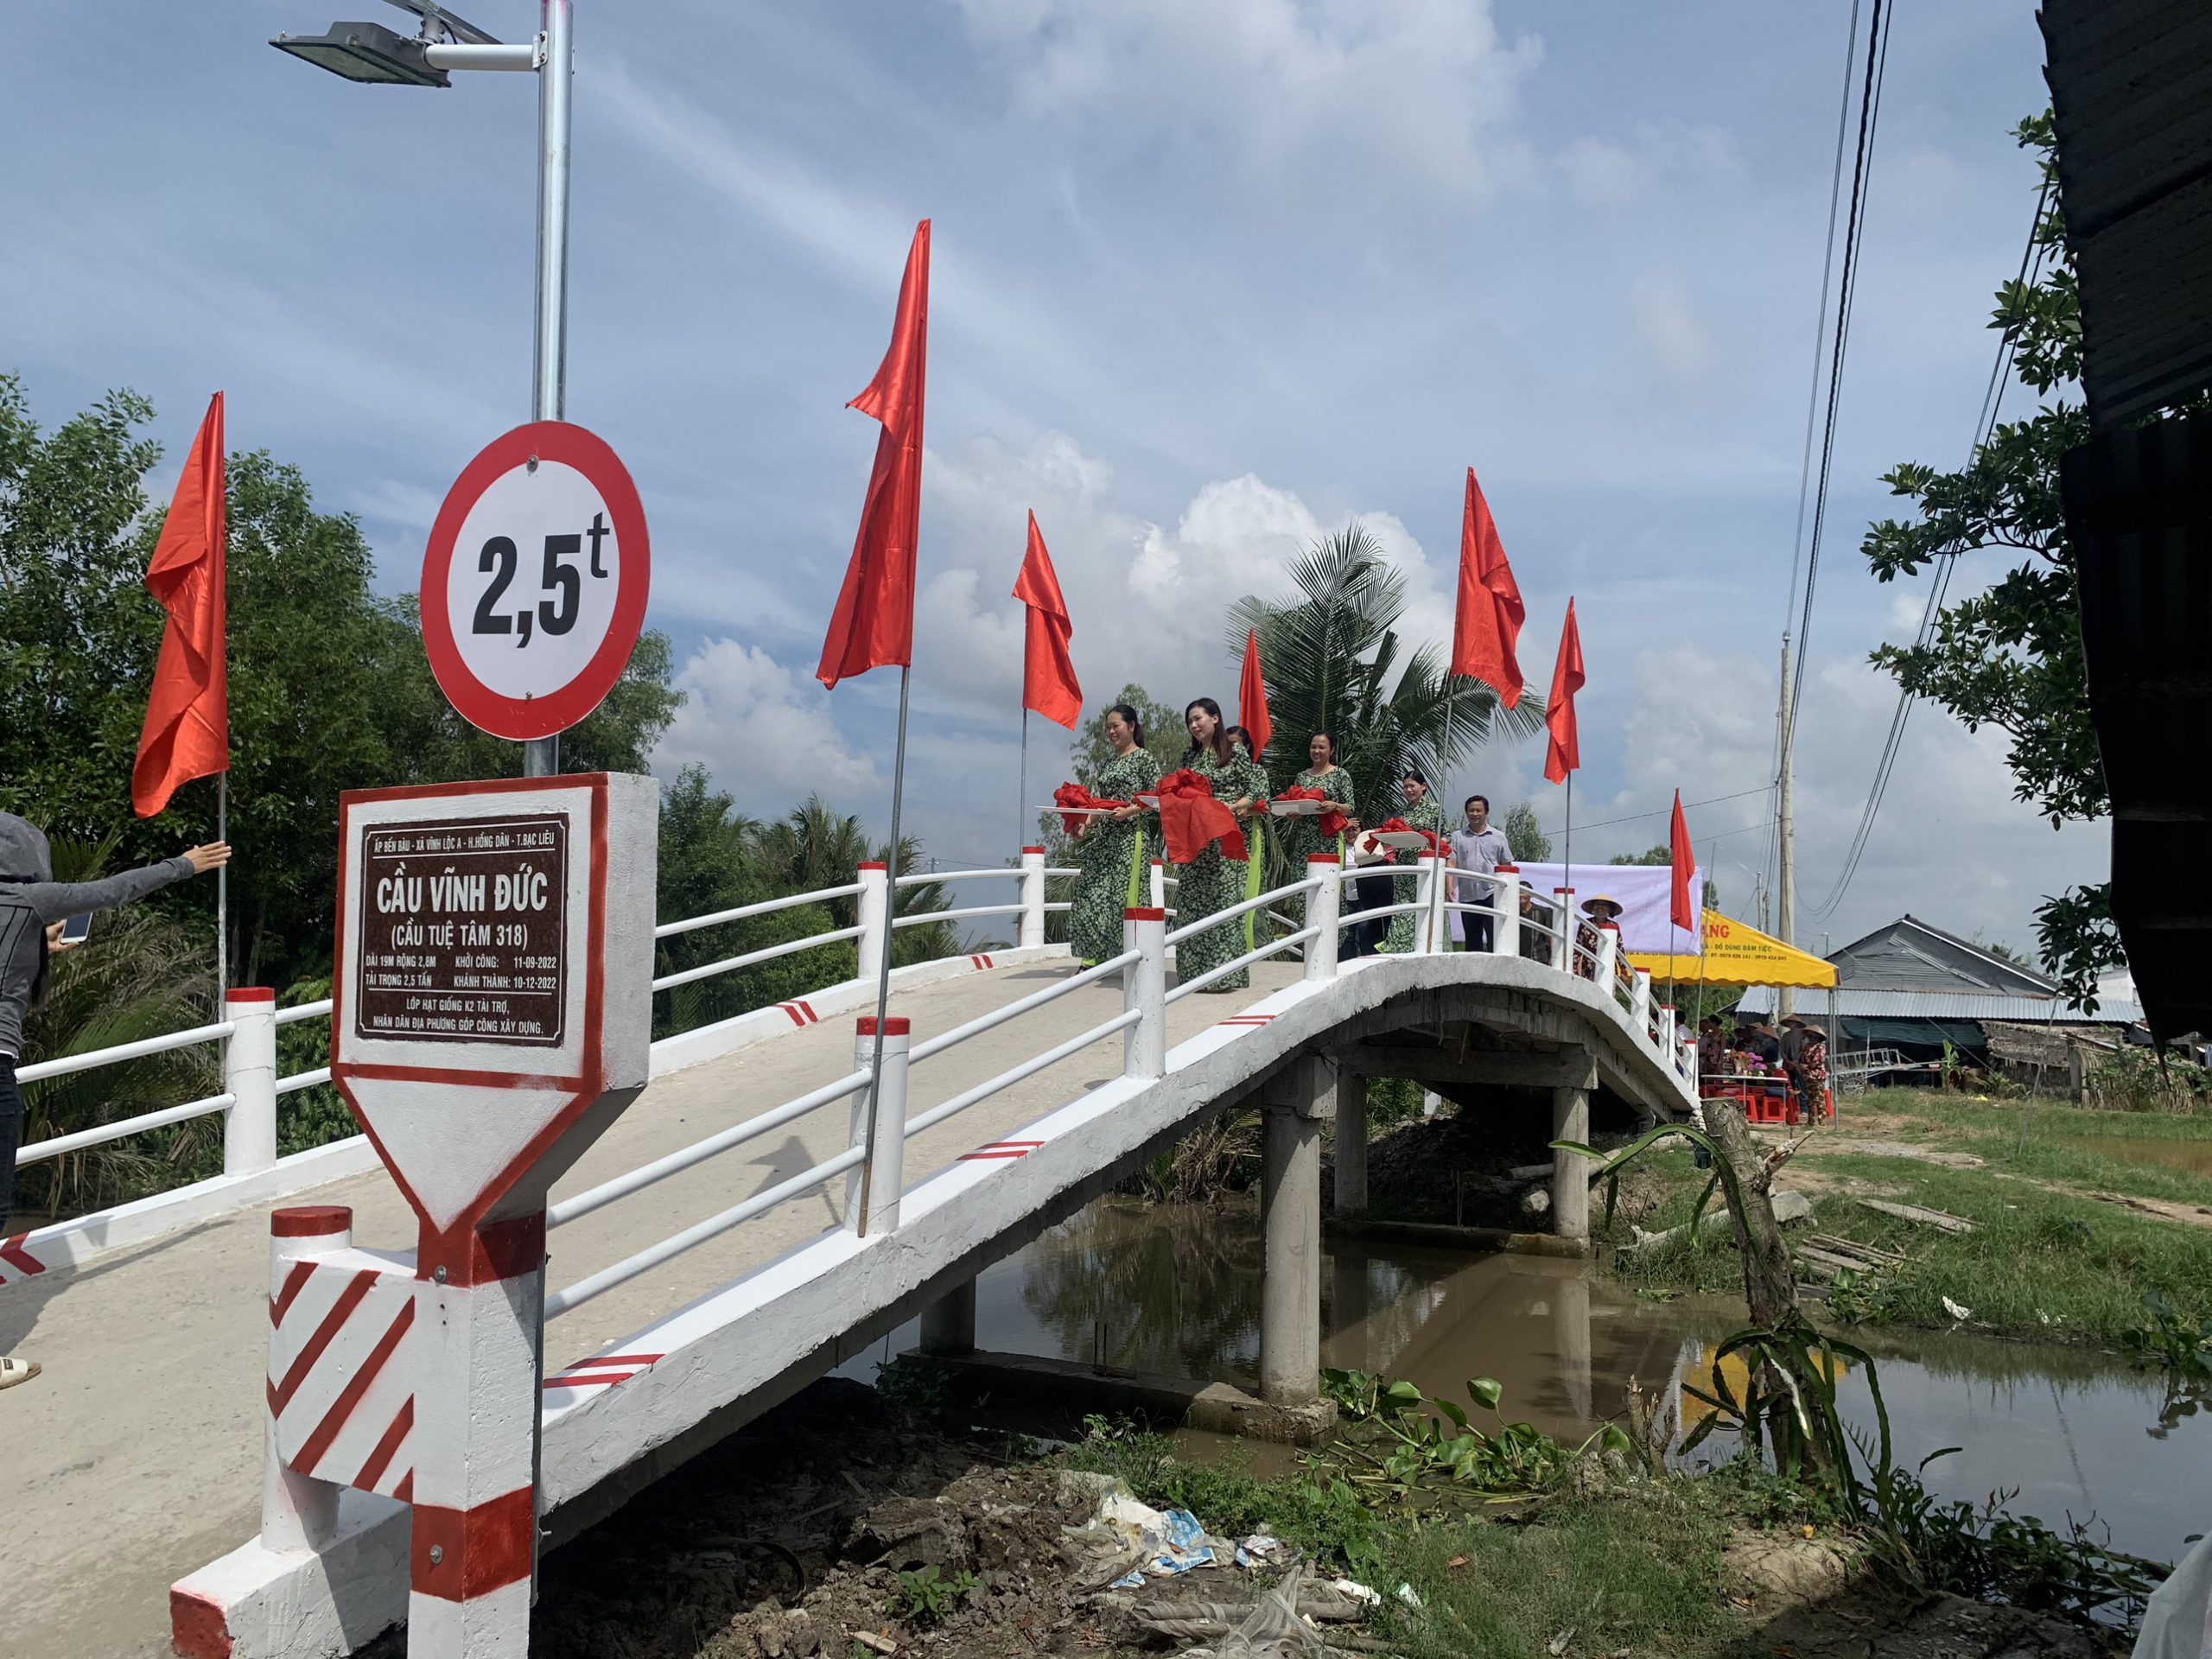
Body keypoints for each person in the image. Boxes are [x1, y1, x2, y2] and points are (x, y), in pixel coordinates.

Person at [0, 815, 232, 1390]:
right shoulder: (30, 899)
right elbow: (115, 889)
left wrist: (36, 946)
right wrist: (184, 865)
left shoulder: (19, 914)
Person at [1166, 698, 1268, 992]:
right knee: (1192, 905)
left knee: (1223, 903)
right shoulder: (1190, 757)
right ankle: (1194, 974)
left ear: (1215, 718)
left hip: (1224, 839)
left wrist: (1238, 805)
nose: (1194, 725)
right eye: (1190, 721)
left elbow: (1258, 787)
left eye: (1198, 718)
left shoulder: (1234, 751)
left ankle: (1224, 975)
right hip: (1196, 841)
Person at [1066, 703, 1161, 968]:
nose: (1110, 731)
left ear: (1131, 726)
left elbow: (1158, 798)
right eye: (1107, 727)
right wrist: (1085, 823)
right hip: (1105, 837)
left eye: (1115, 726)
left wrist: (1130, 811)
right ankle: (1091, 959)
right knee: (1090, 891)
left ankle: (1132, 957)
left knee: (1124, 896)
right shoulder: (1108, 763)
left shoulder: (1144, 759)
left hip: (1131, 837)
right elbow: (1101, 805)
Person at [1382, 769, 1446, 954]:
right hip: (1406, 866)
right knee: (1403, 908)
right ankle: (1399, 950)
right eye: (1405, 787)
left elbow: (1447, 836)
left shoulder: (1435, 809)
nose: (1408, 790)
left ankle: (1428, 948)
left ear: (1423, 786)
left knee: (1427, 906)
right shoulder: (1401, 812)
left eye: (1412, 786)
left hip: (1427, 865)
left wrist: (1430, 842)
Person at [1447, 794, 1511, 952]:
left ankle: (1496, 967)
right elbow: (1452, 863)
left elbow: (1506, 865)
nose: (1475, 814)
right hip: (1468, 895)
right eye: (1471, 811)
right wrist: (1449, 886)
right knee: (1472, 940)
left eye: (1478, 810)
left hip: (1492, 893)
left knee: (1495, 938)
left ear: (1486, 812)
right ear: (1466, 812)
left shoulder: (1498, 836)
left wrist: (1509, 892)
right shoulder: (1457, 836)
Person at [1795, 1023, 1830, 1122]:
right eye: (1809, 1035)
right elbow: (1801, 1058)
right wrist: (1800, 1065)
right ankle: (1811, 1120)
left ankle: (1821, 1120)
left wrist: (1806, 1067)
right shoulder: (1807, 1046)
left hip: (1816, 1076)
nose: (1810, 1037)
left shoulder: (1820, 1047)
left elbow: (1818, 1061)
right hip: (1807, 1076)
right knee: (1809, 1099)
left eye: (1812, 1035)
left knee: (1818, 1098)